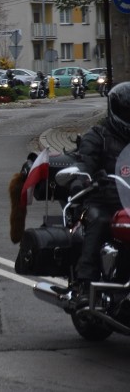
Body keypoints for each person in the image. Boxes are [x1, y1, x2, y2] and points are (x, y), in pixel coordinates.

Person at [70, 82, 130, 298]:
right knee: (98, 221)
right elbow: (84, 160)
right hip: (104, 199)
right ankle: (84, 283)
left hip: (128, 203)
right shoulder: (98, 136)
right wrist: (83, 178)